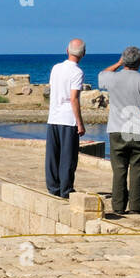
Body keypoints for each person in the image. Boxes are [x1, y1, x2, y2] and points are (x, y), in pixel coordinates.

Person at [98, 46, 140, 214]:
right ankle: (136, 205)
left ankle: (118, 206)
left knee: (119, 169)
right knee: (138, 169)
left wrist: (119, 63)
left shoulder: (112, 78)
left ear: (123, 61)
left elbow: (102, 74)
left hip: (117, 129)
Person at [45, 39, 86, 198]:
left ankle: (53, 186)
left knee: (53, 155)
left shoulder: (56, 68)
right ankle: (66, 189)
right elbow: (74, 98)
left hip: (53, 116)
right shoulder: (77, 72)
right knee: (68, 156)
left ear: (67, 50)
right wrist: (80, 123)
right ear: (83, 53)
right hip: (68, 118)